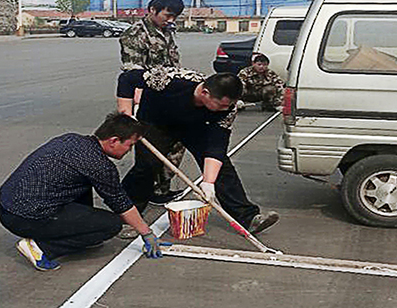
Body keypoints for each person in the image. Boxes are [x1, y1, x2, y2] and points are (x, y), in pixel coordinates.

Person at [0, 113, 168, 271]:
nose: (129, 151)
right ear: (114, 140)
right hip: (24, 217)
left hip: (7, 207)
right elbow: (121, 204)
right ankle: (42, 249)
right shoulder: (99, 165)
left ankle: (79, 232)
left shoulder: (72, 139)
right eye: (129, 145)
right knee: (111, 225)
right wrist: (147, 233)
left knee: (83, 184)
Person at [117, 69, 279, 234]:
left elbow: (217, 145)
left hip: (196, 126)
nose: (226, 109)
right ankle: (127, 217)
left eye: (229, 105)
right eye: (222, 104)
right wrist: (126, 115)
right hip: (156, 122)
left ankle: (248, 218)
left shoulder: (228, 109)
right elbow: (127, 79)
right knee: (147, 166)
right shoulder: (172, 80)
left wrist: (208, 183)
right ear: (205, 93)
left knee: (222, 168)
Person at [119, 0, 188, 205]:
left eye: (174, 16)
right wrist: (135, 106)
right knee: (147, 156)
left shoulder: (167, 31)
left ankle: (159, 189)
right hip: (147, 99)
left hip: (169, 97)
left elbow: (173, 64)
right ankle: (125, 197)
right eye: (167, 15)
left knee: (176, 144)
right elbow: (131, 71)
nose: (171, 20)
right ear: (152, 10)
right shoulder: (135, 34)